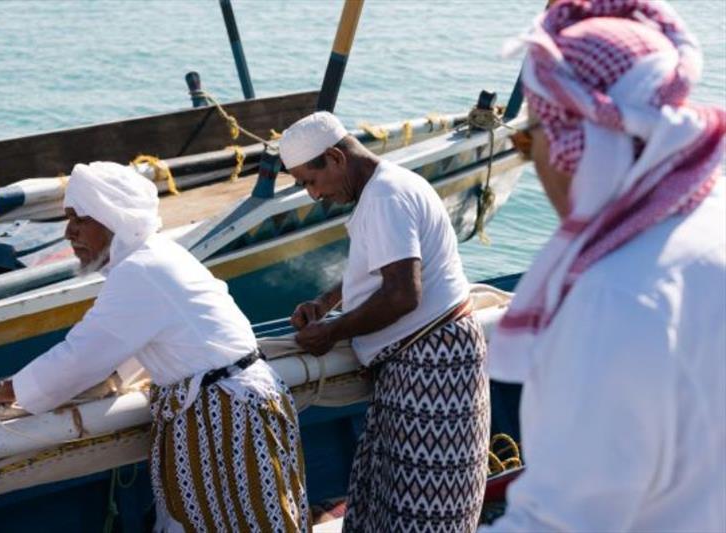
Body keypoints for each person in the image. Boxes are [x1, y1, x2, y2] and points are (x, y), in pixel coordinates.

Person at [482, 1, 726, 531]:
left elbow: (557, 523)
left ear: (581, 140)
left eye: (528, 142)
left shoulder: (615, 296)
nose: (534, 163)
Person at [0, 162, 310, 533]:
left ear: (112, 217)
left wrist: (16, 389)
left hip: (226, 410)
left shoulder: (139, 269)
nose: (68, 231)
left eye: (79, 218)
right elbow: (136, 342)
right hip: (228, 401)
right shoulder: (157, 255)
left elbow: (83, 354)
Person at [279, 112, 489, 532]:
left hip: (433, 366)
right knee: (394, 498)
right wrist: (326, 302)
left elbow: (401, 294)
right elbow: (382, 267)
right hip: (422, 363)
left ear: (336, 158)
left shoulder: (386, 198)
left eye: (309, 181)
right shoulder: (388, 187)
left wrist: (332, 331)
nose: (312, 194)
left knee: (425, 509)